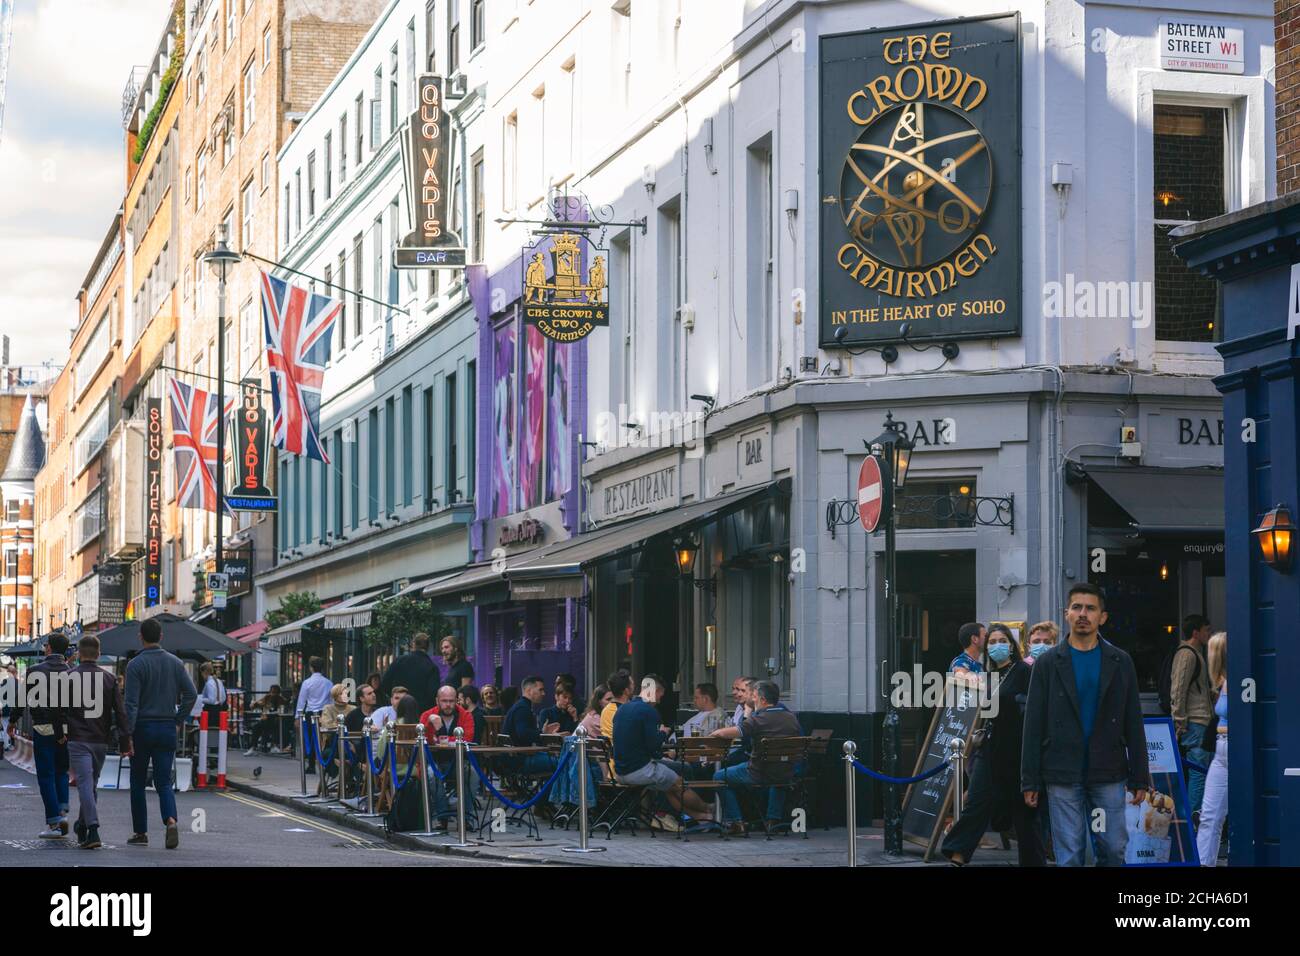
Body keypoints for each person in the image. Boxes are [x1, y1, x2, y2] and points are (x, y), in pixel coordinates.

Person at [1021, 583, 1149, 867]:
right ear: (1066, 613)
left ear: (1102, 617)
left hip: (1108, 770)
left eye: (1090, 608)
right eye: (1077, 607)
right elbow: (1033, 722)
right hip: (1062, 770)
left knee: (1114, 848)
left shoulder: (1120, 661)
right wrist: (1029, 779)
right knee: (1069, 856)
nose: (1083, 614)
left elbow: (1133, 719)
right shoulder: (1048, 663)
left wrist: (1140, 775)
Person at [941, 626, 1044, 866]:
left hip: (1017, 749)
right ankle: (957, 854)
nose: (997, 644)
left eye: (1002, 640)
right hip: (989, 747)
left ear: (1011, 645)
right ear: (987, 648)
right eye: (992, 641)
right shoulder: (987, 675)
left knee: (1025, 814)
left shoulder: (1023, 671)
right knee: (977, 801)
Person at [124, 617, 198, 849]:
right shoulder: (176, 663)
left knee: (137, 781)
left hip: (142, 728)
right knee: (164, 781)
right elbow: (191, 694)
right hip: (167, 727)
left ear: (140, 637)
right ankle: (171, 820)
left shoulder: (135, 665)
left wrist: (127, 734)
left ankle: (140, 832)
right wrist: (178, 719)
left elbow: (131, 705)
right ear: (161, 636)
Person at [614, 676, 714, 830]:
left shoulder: (623, 709)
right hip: (639, 770)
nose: (661, 698)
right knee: (678, 782)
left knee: (668, 786)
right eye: (661, 693)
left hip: (620, 772)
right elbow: (654, 747)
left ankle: (701, 818)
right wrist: (663, 733)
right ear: (655, 691)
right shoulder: (649, 711)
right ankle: (708, 809)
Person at [62, 635, 131, 850]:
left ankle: (92, 828)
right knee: (90, 785)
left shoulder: (68, 677)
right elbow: (120, 714)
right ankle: (82, 825)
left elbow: (60, 711)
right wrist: (125, 742)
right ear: (99, 654)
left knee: (85, 784)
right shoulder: (110, 680)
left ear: (78, 654)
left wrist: (59, 733)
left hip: (78, 738)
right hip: (100, 741)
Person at [709, 680, 802, 833]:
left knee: (719, 776)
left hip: (758, 773)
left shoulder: (758, 719)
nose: (753, 699)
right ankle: (772, 820)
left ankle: (736, 822)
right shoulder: (791, 718)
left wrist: (716, 733)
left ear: (763, 700)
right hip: (786, 772)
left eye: (754, 696)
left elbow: (735, 732)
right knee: (778, 775)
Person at [13, 632, 72, 838]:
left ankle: (54, 822)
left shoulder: (34, 671)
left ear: (48, 648)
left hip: (42, 727)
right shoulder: (71, 672)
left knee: (46, 775)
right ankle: (63, 811)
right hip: (64, 730)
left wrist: (12, 722)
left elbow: (21, 700)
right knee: (62, 771)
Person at [1169, 613, 1214, 821]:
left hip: (1200, 722)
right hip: (1195, 723)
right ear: (1196, 632)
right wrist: (1179, 721)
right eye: (1206, 630)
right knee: (1198, 772)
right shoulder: (1187, 655)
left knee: (1202, 772)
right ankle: (1191, 820)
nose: (1209, 634)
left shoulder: (1195, 654)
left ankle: (1195, 818)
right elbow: (1178, 689)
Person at [1197, 632, 1229, 866]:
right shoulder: (1223, 681)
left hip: (1232, 748)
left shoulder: (1237, 680)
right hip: (1221, 751)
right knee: (1209, 815)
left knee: (1219, 815)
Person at [501, 676, 560, 774]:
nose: (543, 693)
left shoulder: (520, 706)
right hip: (521, 760)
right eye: (540, 690)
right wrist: (542, 734)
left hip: (516, 757)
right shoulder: (523, 709)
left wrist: (542, 733)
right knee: (561, 763)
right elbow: (523, 734)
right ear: (529, 690)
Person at [380, 633, 441, 711]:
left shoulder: (399, 661)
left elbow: (385, 684)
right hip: (420, 712)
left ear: (413, 644)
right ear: (428, 647)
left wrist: (396, 698)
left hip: (399, 709)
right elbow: (433, 694)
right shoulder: (432, 667)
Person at [295, 657, 333, 774]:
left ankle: (311, 765)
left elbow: (302, 701)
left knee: (311, 739)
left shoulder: (307, 683)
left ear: (311, 668)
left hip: (310, 713)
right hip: (324, 713)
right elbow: (331, 700)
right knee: (325, 738)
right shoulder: (328, 682)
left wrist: (297, 716)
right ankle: (326, 763)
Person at [245, 685, 288, 755]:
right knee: (256, 727)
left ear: (278, 693)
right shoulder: (267, 697)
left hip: (276, 720)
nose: (273, 694)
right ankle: (253, 747)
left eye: (274, 692)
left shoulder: (281, 699)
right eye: (272, 692)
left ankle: (274, 745)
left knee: (275, 725)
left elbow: (284, 708)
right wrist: (254, 704)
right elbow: (255, 705)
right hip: (266, 720)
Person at [599, 670, 633, 741]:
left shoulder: (606, 710)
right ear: (626, 691)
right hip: (620, 750)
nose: (634, 686)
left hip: (610, 750)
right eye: (632, 684)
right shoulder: (624, 711)